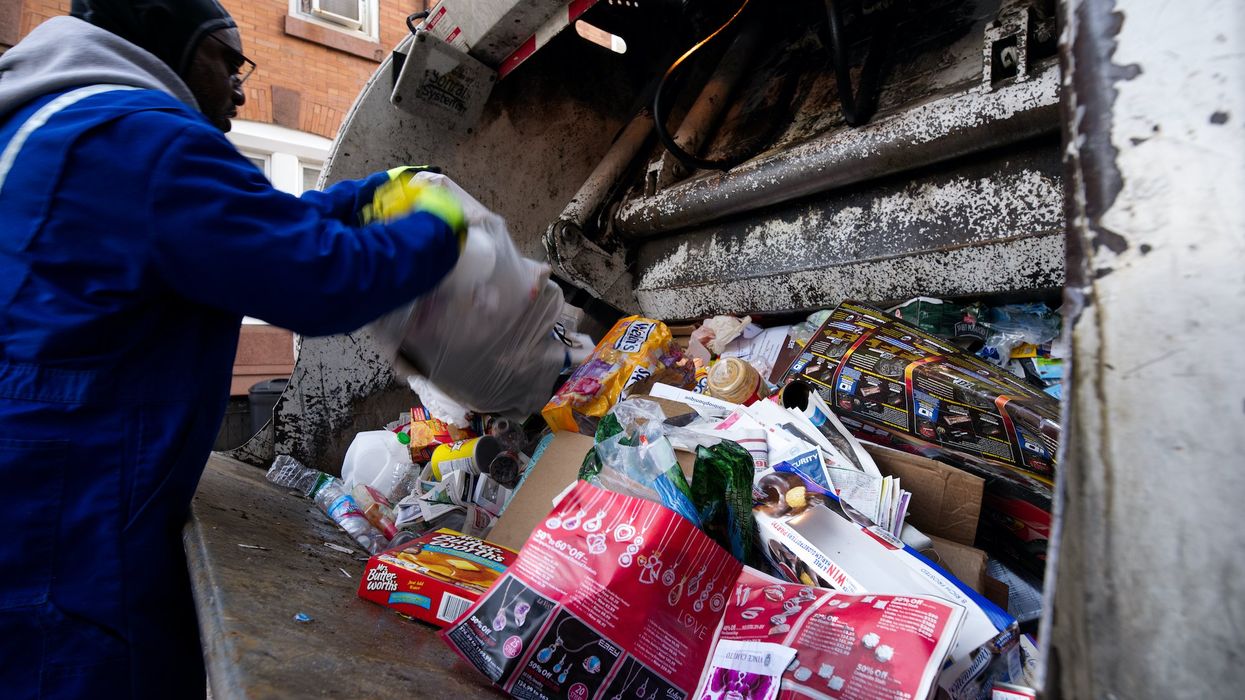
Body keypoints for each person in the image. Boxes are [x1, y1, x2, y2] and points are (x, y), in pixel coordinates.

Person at [0, 1, 467, 696]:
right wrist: (440, 226)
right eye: (228, 58)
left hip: (46, 484)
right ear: (172, 46)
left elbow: (250, 228)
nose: (241, 85)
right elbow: (318, 280)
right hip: (72, 518)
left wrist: (371, 195)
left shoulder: (64, 123)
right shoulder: (143, 141)